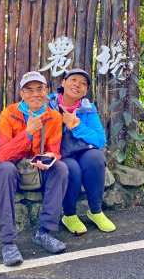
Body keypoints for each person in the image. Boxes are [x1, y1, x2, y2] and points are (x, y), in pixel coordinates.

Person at [0, 71, 69, 266]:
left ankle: (44, 232)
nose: (35, 94)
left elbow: (55, 150)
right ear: (21, 93)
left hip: (39, 171)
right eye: (29, 90)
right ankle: (8, 243)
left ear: (46, 91)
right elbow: (3, 154)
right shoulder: (9, 114)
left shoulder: (54, 117)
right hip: (15, 173)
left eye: (40, 89)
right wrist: (28, 133)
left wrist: (52, 157)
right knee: (4, 169)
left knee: (61, 168)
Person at [48, 67, 116, 235]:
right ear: (63, 83)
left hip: (83, 150)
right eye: (73, 80)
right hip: (60, 153)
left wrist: (77, 125)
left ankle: (95, 211)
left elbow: (100, 140)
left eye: (83, 83)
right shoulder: (48, 105)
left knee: (96, 158)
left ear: (86, 90)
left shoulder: (88, 108)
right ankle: (69, 215)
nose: (77, 85)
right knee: (72, 169)